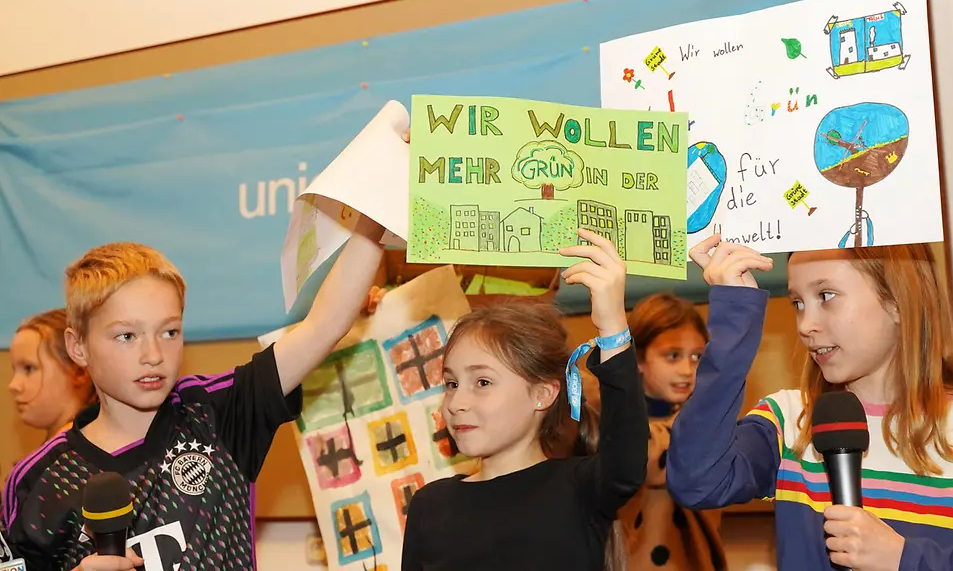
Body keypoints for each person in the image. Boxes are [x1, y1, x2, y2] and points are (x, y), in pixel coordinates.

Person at [1, 160, 399, 569]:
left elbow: (325, 323)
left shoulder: (216, 412)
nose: (153, 353)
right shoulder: (37, 481)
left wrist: (377, 212)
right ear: (78, 347)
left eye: (169, 332)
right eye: (127, 336)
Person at [668, 235, 953, 571]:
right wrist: (735, 318)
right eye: (798, 303)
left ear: (898, 301)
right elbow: (696, 482)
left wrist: (904, 559)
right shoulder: (789, 421)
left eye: (826, 296)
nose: (806, 326)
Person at [401, 228, 648, 571]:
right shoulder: (430, 505)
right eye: (451, 383)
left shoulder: (579, 488)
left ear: (542, 394)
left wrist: (612, 326)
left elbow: (627, 452)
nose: (457, 402)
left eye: (483, 381)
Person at [610, 292, 726, 570]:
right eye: (672, 356)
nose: (687, 369)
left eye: (697, 357)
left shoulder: (706, 421)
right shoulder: (611, 423)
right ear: (639, 358)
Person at [9, 308, 96, 440]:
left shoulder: (80, 451)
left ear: (79, 372)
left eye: (29, 368)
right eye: (15, 370)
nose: (13, 385)